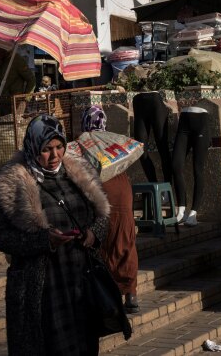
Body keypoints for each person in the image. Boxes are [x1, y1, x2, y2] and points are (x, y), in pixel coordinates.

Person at [0, 114, 110, 355]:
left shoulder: (79, 173)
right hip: (43, 287)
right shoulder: (13, 183)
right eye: (46, 149)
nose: (55, 155)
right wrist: (43, 241)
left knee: (84, 345)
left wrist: (93, 234)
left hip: (79, 280)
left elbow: (102, 216)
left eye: (59, 147)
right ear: (33, 146)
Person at [81, 105, 140, 314]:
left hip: (102, 190)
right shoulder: (113, 141)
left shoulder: (84, 144)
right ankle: (131, 294)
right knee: (126, 240)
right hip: (122, 187)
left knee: (106, 242)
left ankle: (109, 294)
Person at [0, 45, 35, 115]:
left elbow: (31, 80)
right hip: (2, 103)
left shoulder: (16, 60)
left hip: (16, 103)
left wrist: (25, 99)